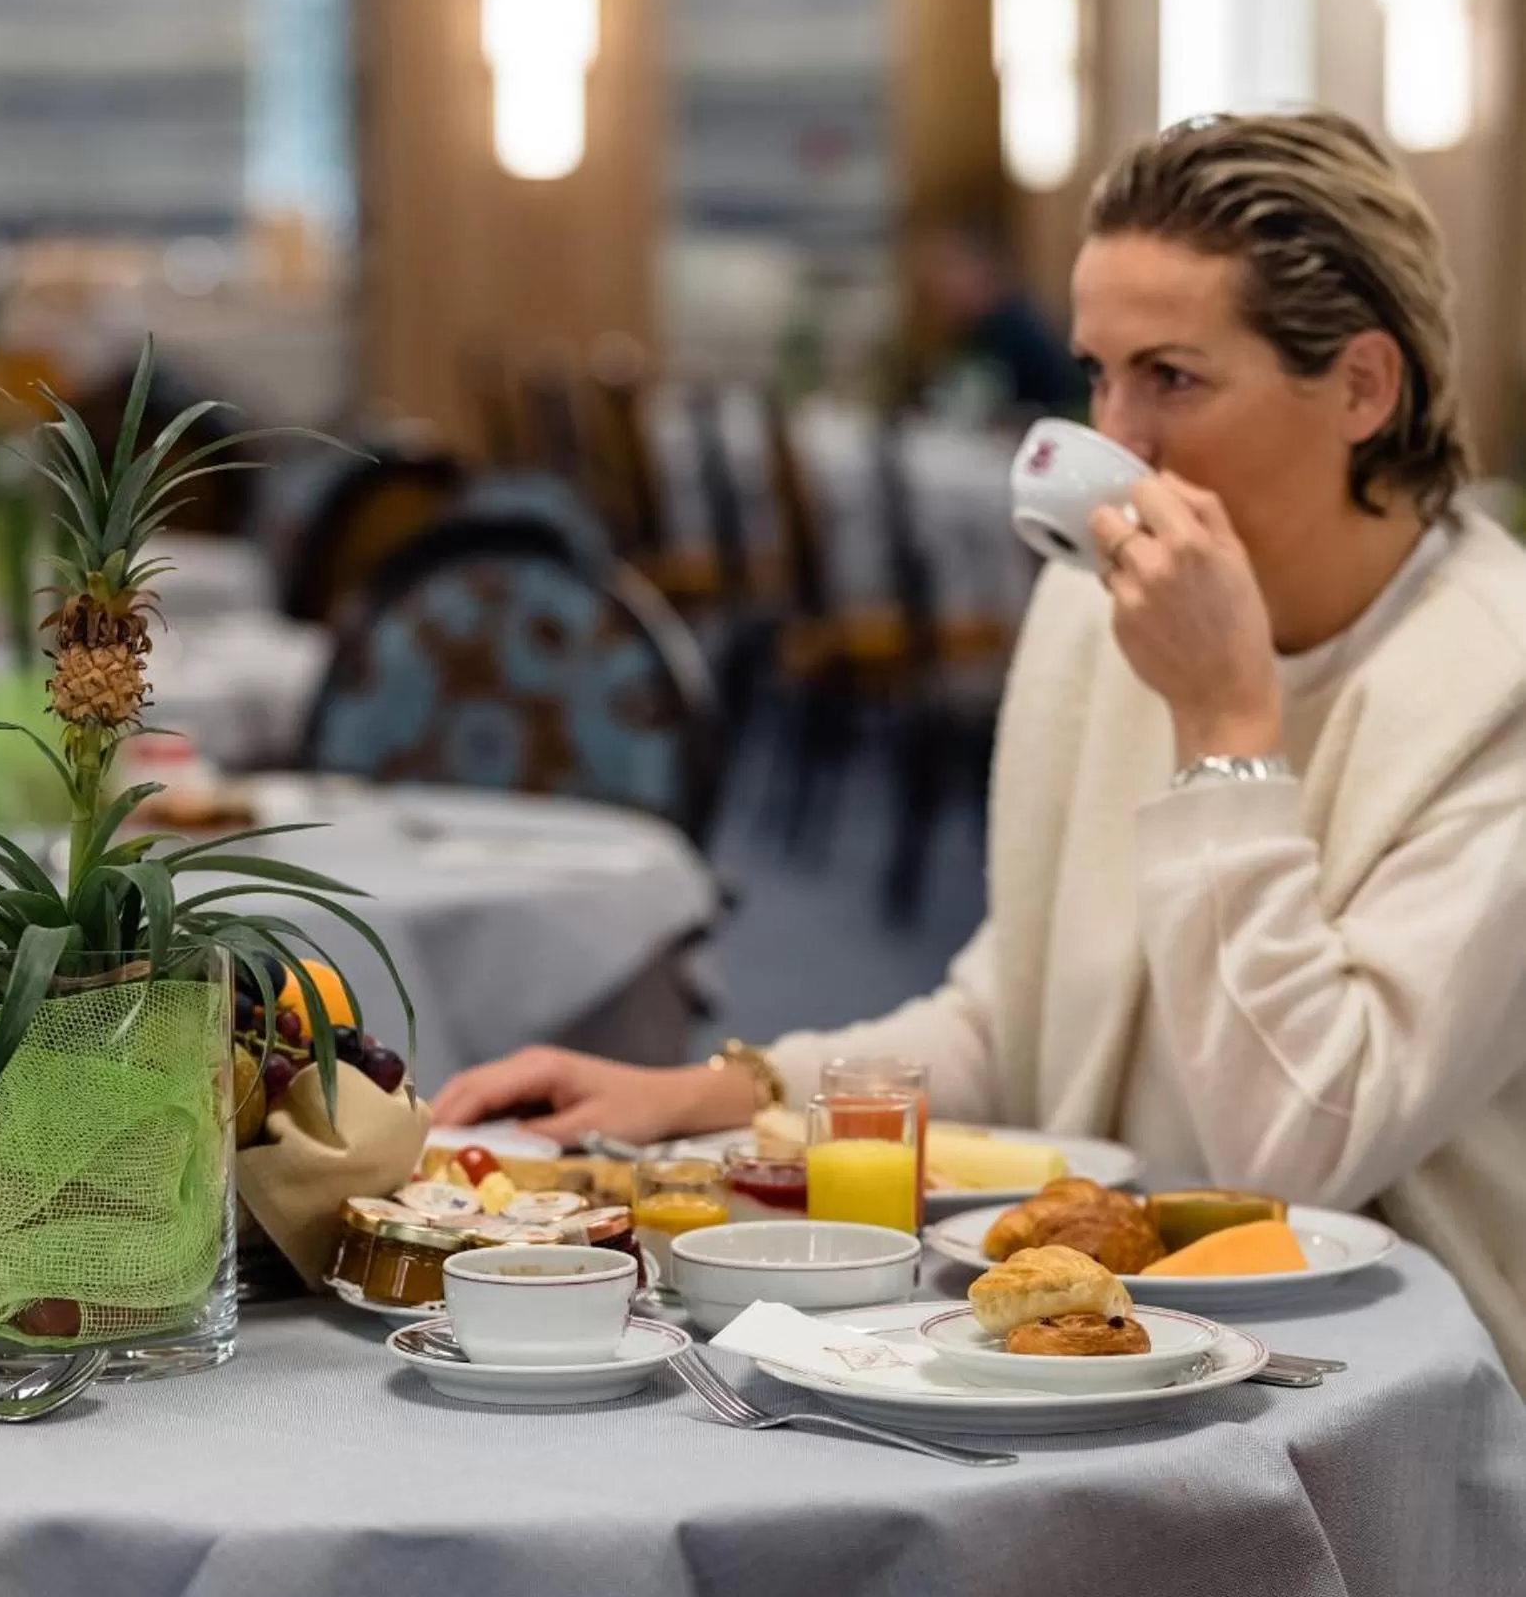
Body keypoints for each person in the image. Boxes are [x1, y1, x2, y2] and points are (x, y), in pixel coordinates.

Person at [433, 111, 1526, 1387]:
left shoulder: (1487, 688)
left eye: (1170, 378)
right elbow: (1015, 1023)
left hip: (1385, 1376)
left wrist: (1226, 735)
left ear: (1360, 387)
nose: (1117, 444)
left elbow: (1291, 1152)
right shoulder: (1096, 614)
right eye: (1095, 375)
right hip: (1097, 1339)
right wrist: (714, 1096)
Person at [910, 214, 1087, 422]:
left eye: (946, 283)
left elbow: (1060, 395)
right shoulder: (975, 329)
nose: (942, 297)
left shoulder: (1015, 323)